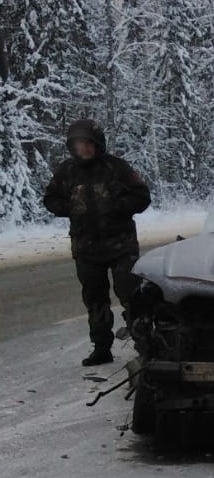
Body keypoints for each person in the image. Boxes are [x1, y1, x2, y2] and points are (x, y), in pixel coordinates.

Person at [43, 119, 151, 366]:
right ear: (72, 147)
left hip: (121, 246)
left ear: (98, 144)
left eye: (89, 144)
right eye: (80, 144)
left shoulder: (116, 167)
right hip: (86, 248)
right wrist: (69, 207)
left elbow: (142, 195)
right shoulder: (66, 171)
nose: (85, 149)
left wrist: (119, 206)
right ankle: (102, 347)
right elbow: (50, 199)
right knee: (95, 300)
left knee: (132, 296)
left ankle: (145, 344)